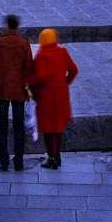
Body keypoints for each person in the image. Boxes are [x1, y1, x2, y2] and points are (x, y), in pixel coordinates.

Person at [0, 14, 33, 171]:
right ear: (17, 26)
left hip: (1, 89)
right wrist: (29, 90)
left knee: (2, 127)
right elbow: (29, 70)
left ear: (7, 25)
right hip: (19, 91)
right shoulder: (24, 44)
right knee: (19, 128)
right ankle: (19, 161)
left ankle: (3, 161)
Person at [26, 28, 78, 169]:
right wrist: (65, 82)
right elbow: (74, 69)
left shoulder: (42, 55)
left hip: (46, 97)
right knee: (58, 128)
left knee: (48, 130)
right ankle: (57, 155)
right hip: (61, 95)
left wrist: (27, 81)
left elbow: (40, 76)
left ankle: (52, 158)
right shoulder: (62, 52)